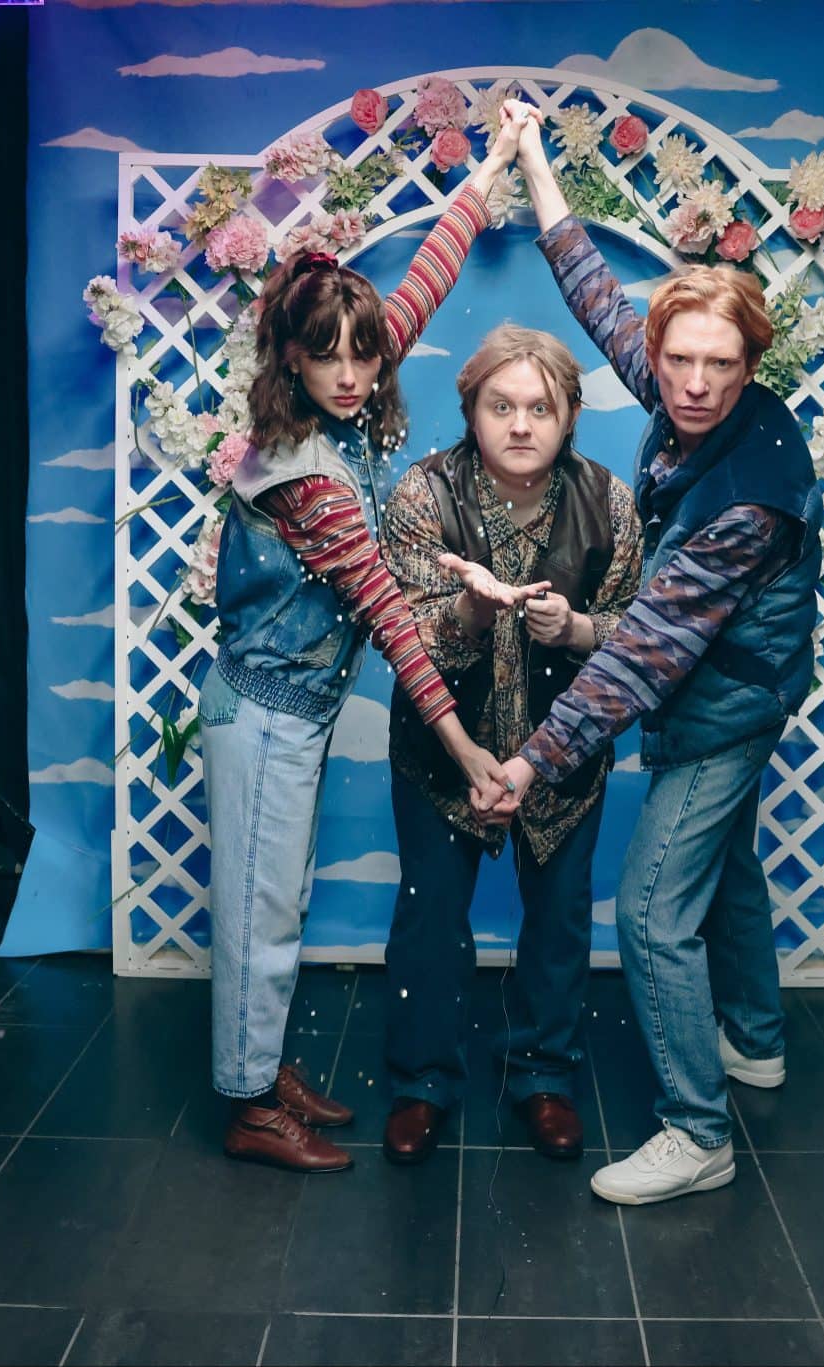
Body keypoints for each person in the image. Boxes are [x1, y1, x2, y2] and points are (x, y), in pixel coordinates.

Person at [475, 109, 823, 1205]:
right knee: (731, 865)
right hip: (735, 679)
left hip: (728, 703)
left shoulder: (745, 500)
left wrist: (529, 761)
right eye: (677, 360)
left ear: (751, 365)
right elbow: (594, 290)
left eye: (720, 365)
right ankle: (756, 1040)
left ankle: (697, 1129)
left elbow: (639, 658)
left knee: (653, 908)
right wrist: (536, 161)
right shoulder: (684, 389)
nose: (693, 384)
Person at [200, 110, 532, 1173]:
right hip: (263, 714)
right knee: (259, 913)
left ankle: (261, 1067)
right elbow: (390, 619)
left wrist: (490, 167)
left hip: (287, 711)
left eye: (363, 353)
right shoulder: (311, 479)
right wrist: (469, 752)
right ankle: (249, 1101)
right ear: (289, 359)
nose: (350, 373)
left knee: (280, 900)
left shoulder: (334, 411)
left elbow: (424, 278)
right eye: (325, 356)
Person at [375, 324, 642, 1165]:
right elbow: (403, 637)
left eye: (540, 408)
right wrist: (471, 609)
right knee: (429, 917)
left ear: (570, 416)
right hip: (442, 751)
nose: (521, 424)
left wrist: (579, 629)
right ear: (471, 411)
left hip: (563, 760)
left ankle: (544, 1075)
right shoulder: (424, 495)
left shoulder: (610, 504)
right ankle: (422, 1081)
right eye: (501, 406)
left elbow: (641, 639)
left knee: (560, 920)